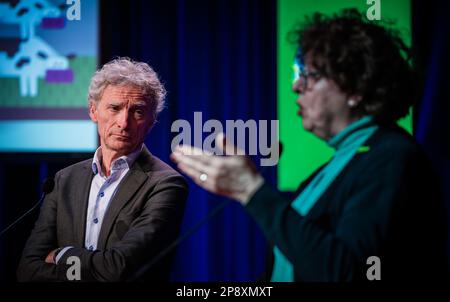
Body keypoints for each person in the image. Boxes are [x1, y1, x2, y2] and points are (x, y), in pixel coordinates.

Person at [171, 10, 448, 281]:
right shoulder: (329, 172)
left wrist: (251, 190)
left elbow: (347, 270)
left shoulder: (393, 159)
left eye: (310, 75)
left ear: (356, 88)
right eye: (297, 74)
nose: (296, 86)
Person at [17, 57, 188, 282]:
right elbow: (27, 270)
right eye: (114, 108)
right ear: (93, 111)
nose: (123, 122)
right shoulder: (64, 180)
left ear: (151, 121)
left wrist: (62, 255)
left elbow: (118, 268)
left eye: (137, 111)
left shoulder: (166, 184)